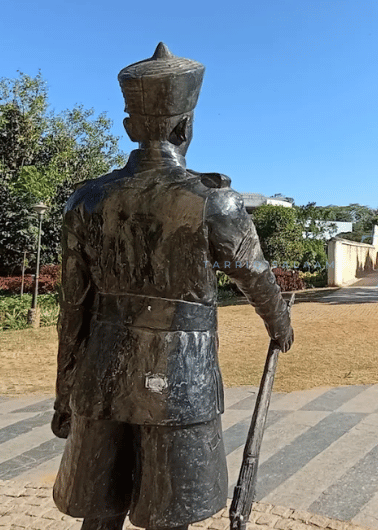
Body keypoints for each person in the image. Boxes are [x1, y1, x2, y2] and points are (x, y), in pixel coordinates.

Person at [50, 43, 293, 530]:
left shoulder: (87, 200)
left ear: (129, 128)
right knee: (169, 514)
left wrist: (64, 392)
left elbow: (72, 310)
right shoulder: (213, 202)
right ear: (186, 127)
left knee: (100, 514)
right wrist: (280, 323)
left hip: (100, 374)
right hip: (181, 378)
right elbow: (257, 276)